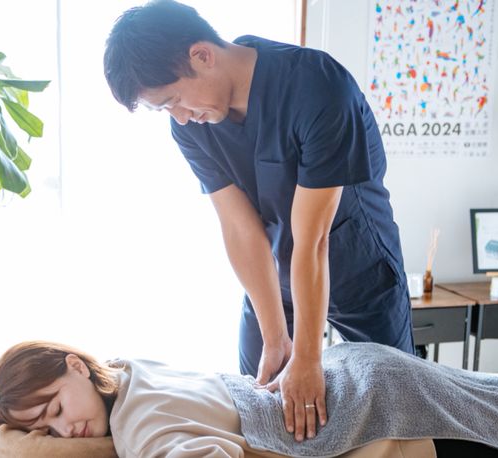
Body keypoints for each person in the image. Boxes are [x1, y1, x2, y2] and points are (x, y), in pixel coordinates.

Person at [103, 0, 414, 441]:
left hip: (357, 265)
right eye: (164, 110)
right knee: (261, 410)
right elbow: (239, 228)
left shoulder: (317, 86)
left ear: (202, 55)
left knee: (399, 408)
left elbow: (314, 240)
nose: (179, 117)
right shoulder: (192, 126)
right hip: (275, 276)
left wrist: (308, 357)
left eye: (174, 100)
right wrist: (276, 336)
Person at [0, 339, 498, 458]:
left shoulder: (140, 431)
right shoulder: (128, 370)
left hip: (381, 410)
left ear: (77, 366)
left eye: (57, 408)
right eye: (46, 432)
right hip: (358, 368)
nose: (65, 431)